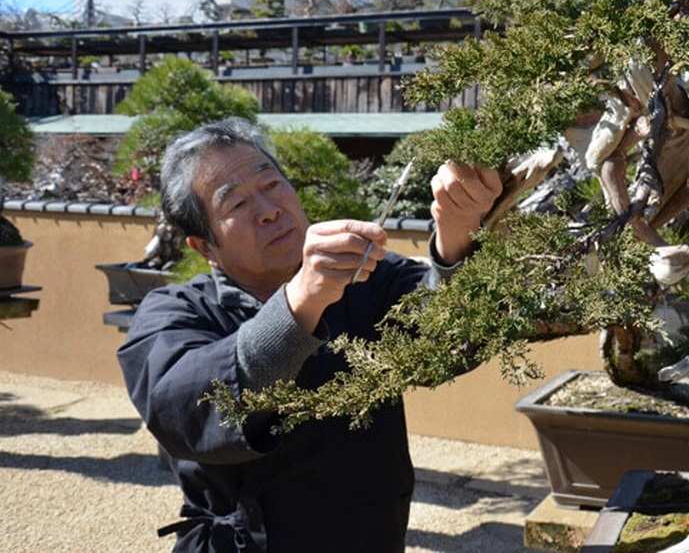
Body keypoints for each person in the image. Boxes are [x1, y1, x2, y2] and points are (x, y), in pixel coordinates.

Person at [117, 117, 502, 553]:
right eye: (236, 204)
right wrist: (299, 302)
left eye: (272, 184)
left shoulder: (365, 279)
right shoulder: (174, 313)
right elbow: (184, 406)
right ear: (204, 246)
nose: (268, 209)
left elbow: (445, 332)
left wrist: (455, 233)